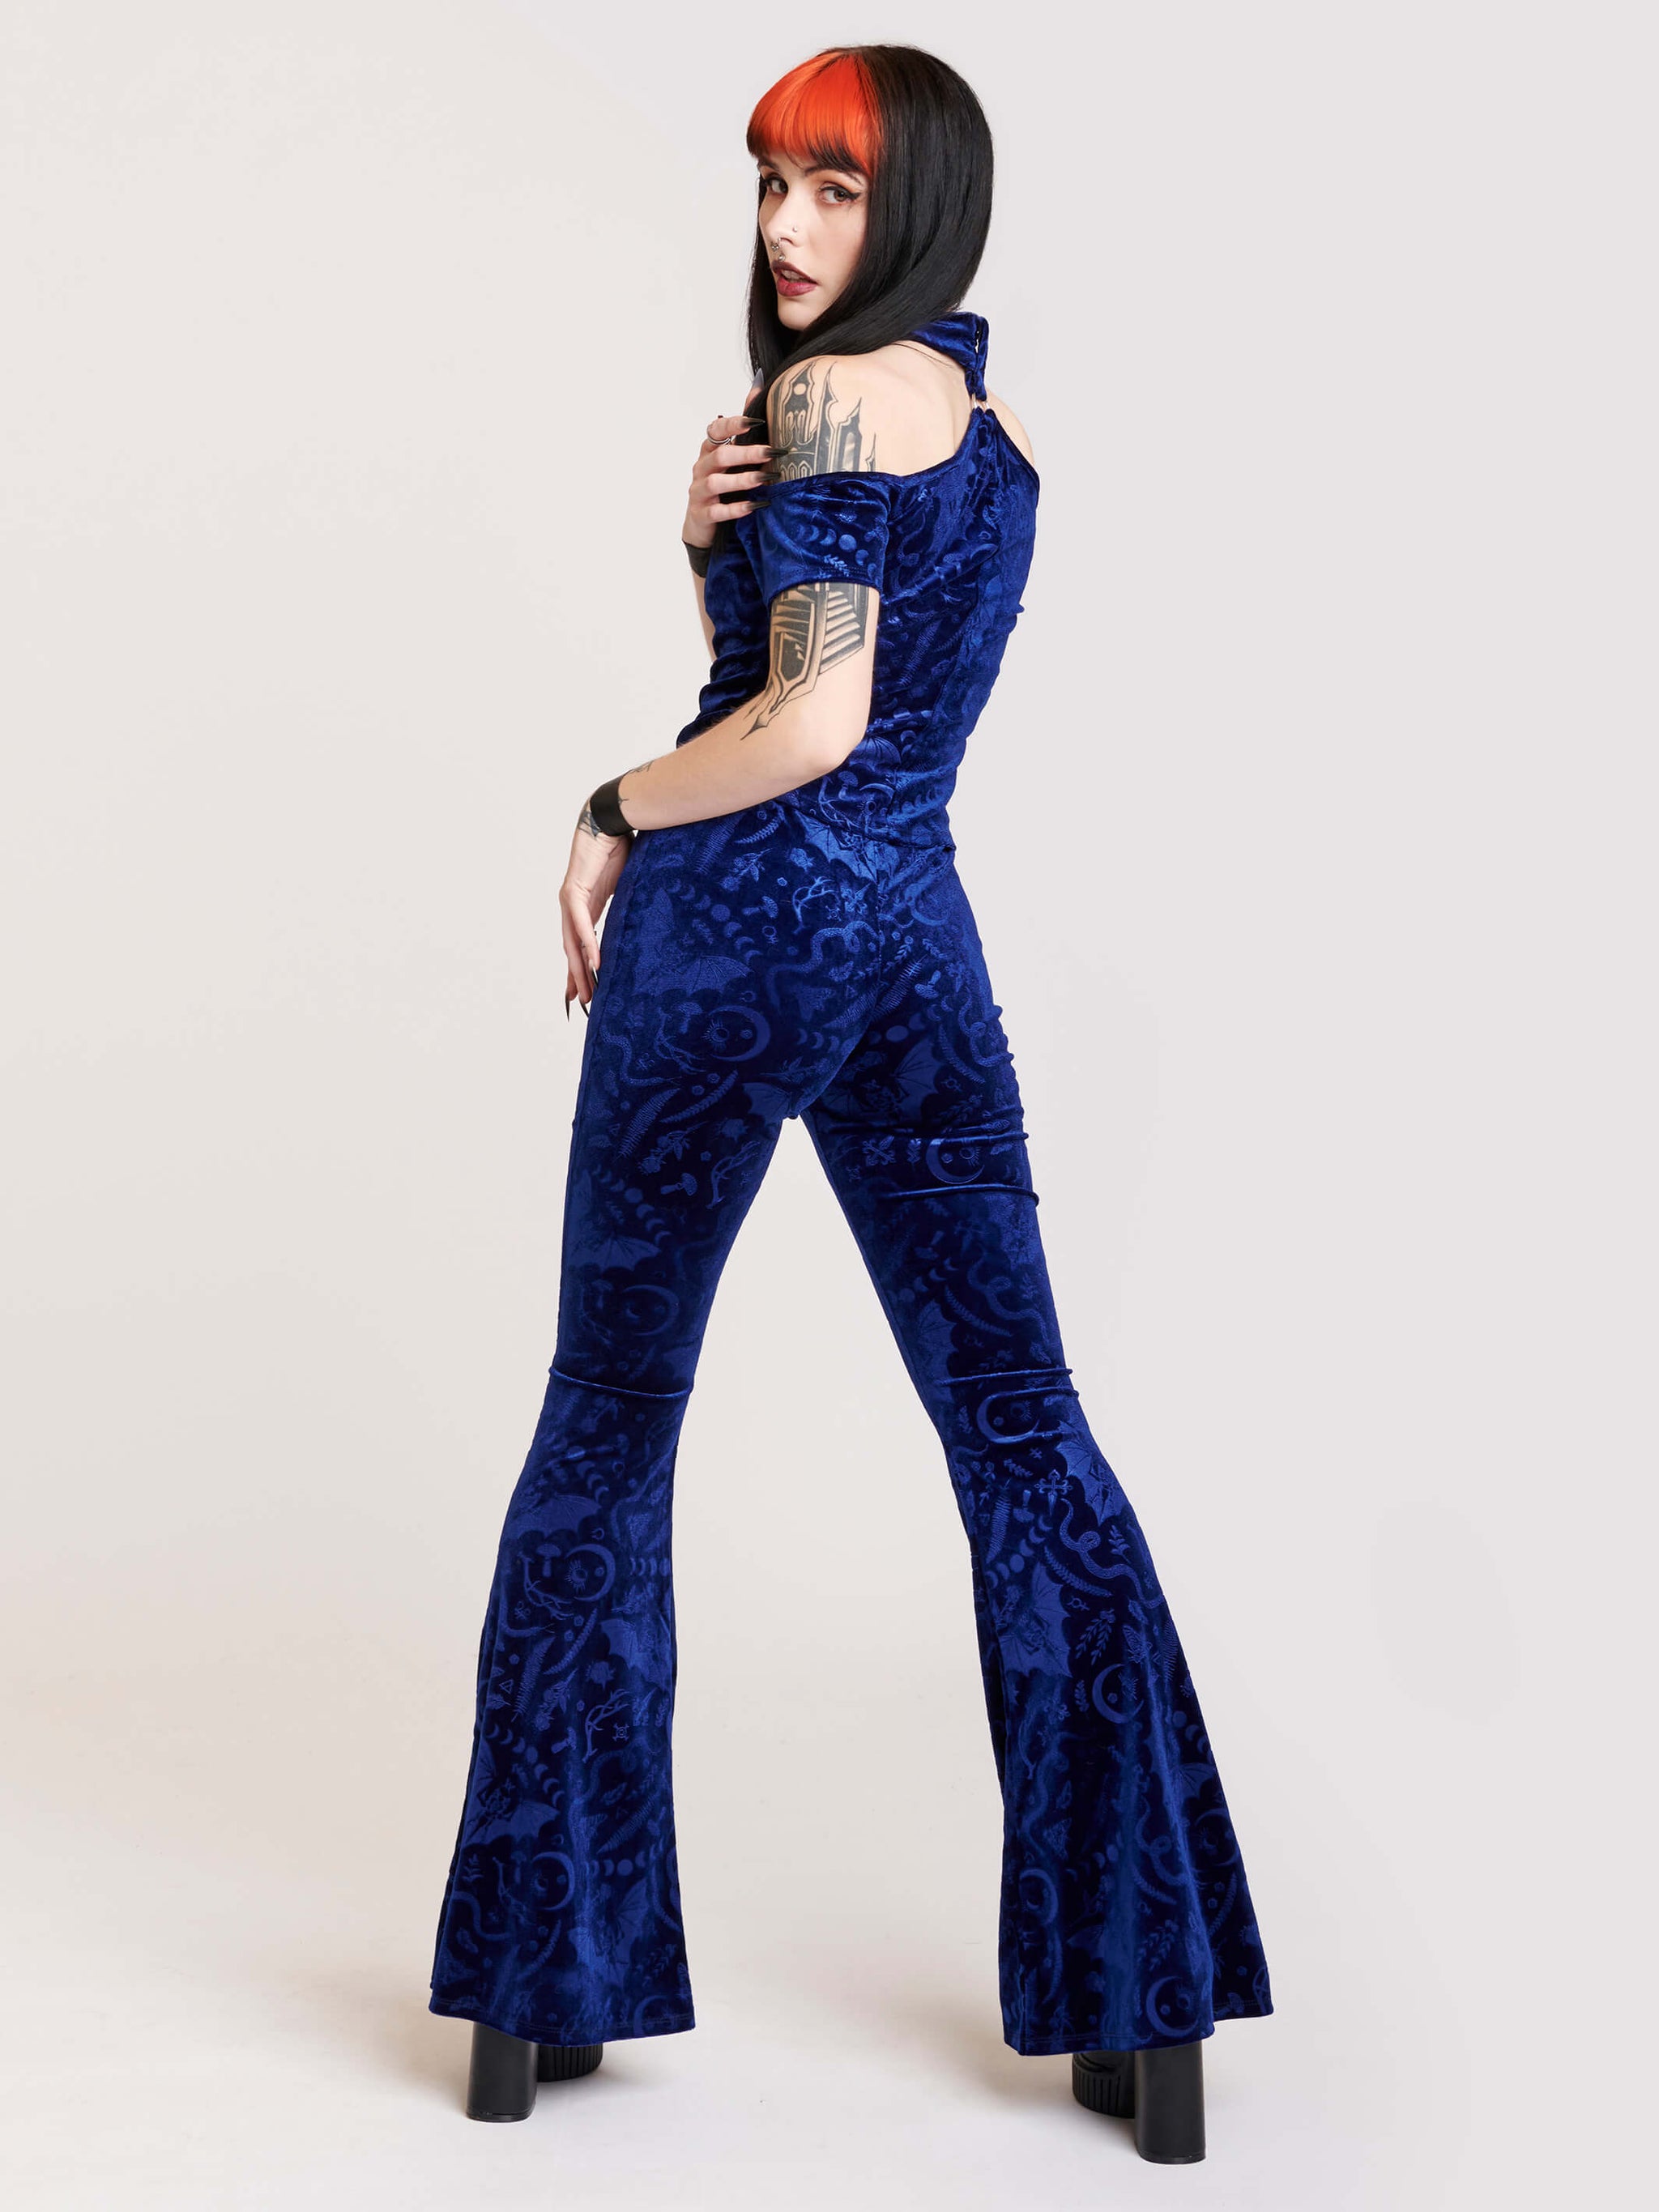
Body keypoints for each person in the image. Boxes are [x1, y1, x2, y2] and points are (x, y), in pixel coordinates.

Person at [428, 45, 1271, 2157]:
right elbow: (868, 717)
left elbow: (802, 724)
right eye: (771, 185)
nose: (787, 229)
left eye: (833, 189)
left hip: (736, 940)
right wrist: (702, 554)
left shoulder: (817, 404)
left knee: (607, 1422)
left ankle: (545, 1984)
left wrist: (611, 798)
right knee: (1024, 1428)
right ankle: (1143, 1995)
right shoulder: (998, 436)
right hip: (913, 947)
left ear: (923, 207)